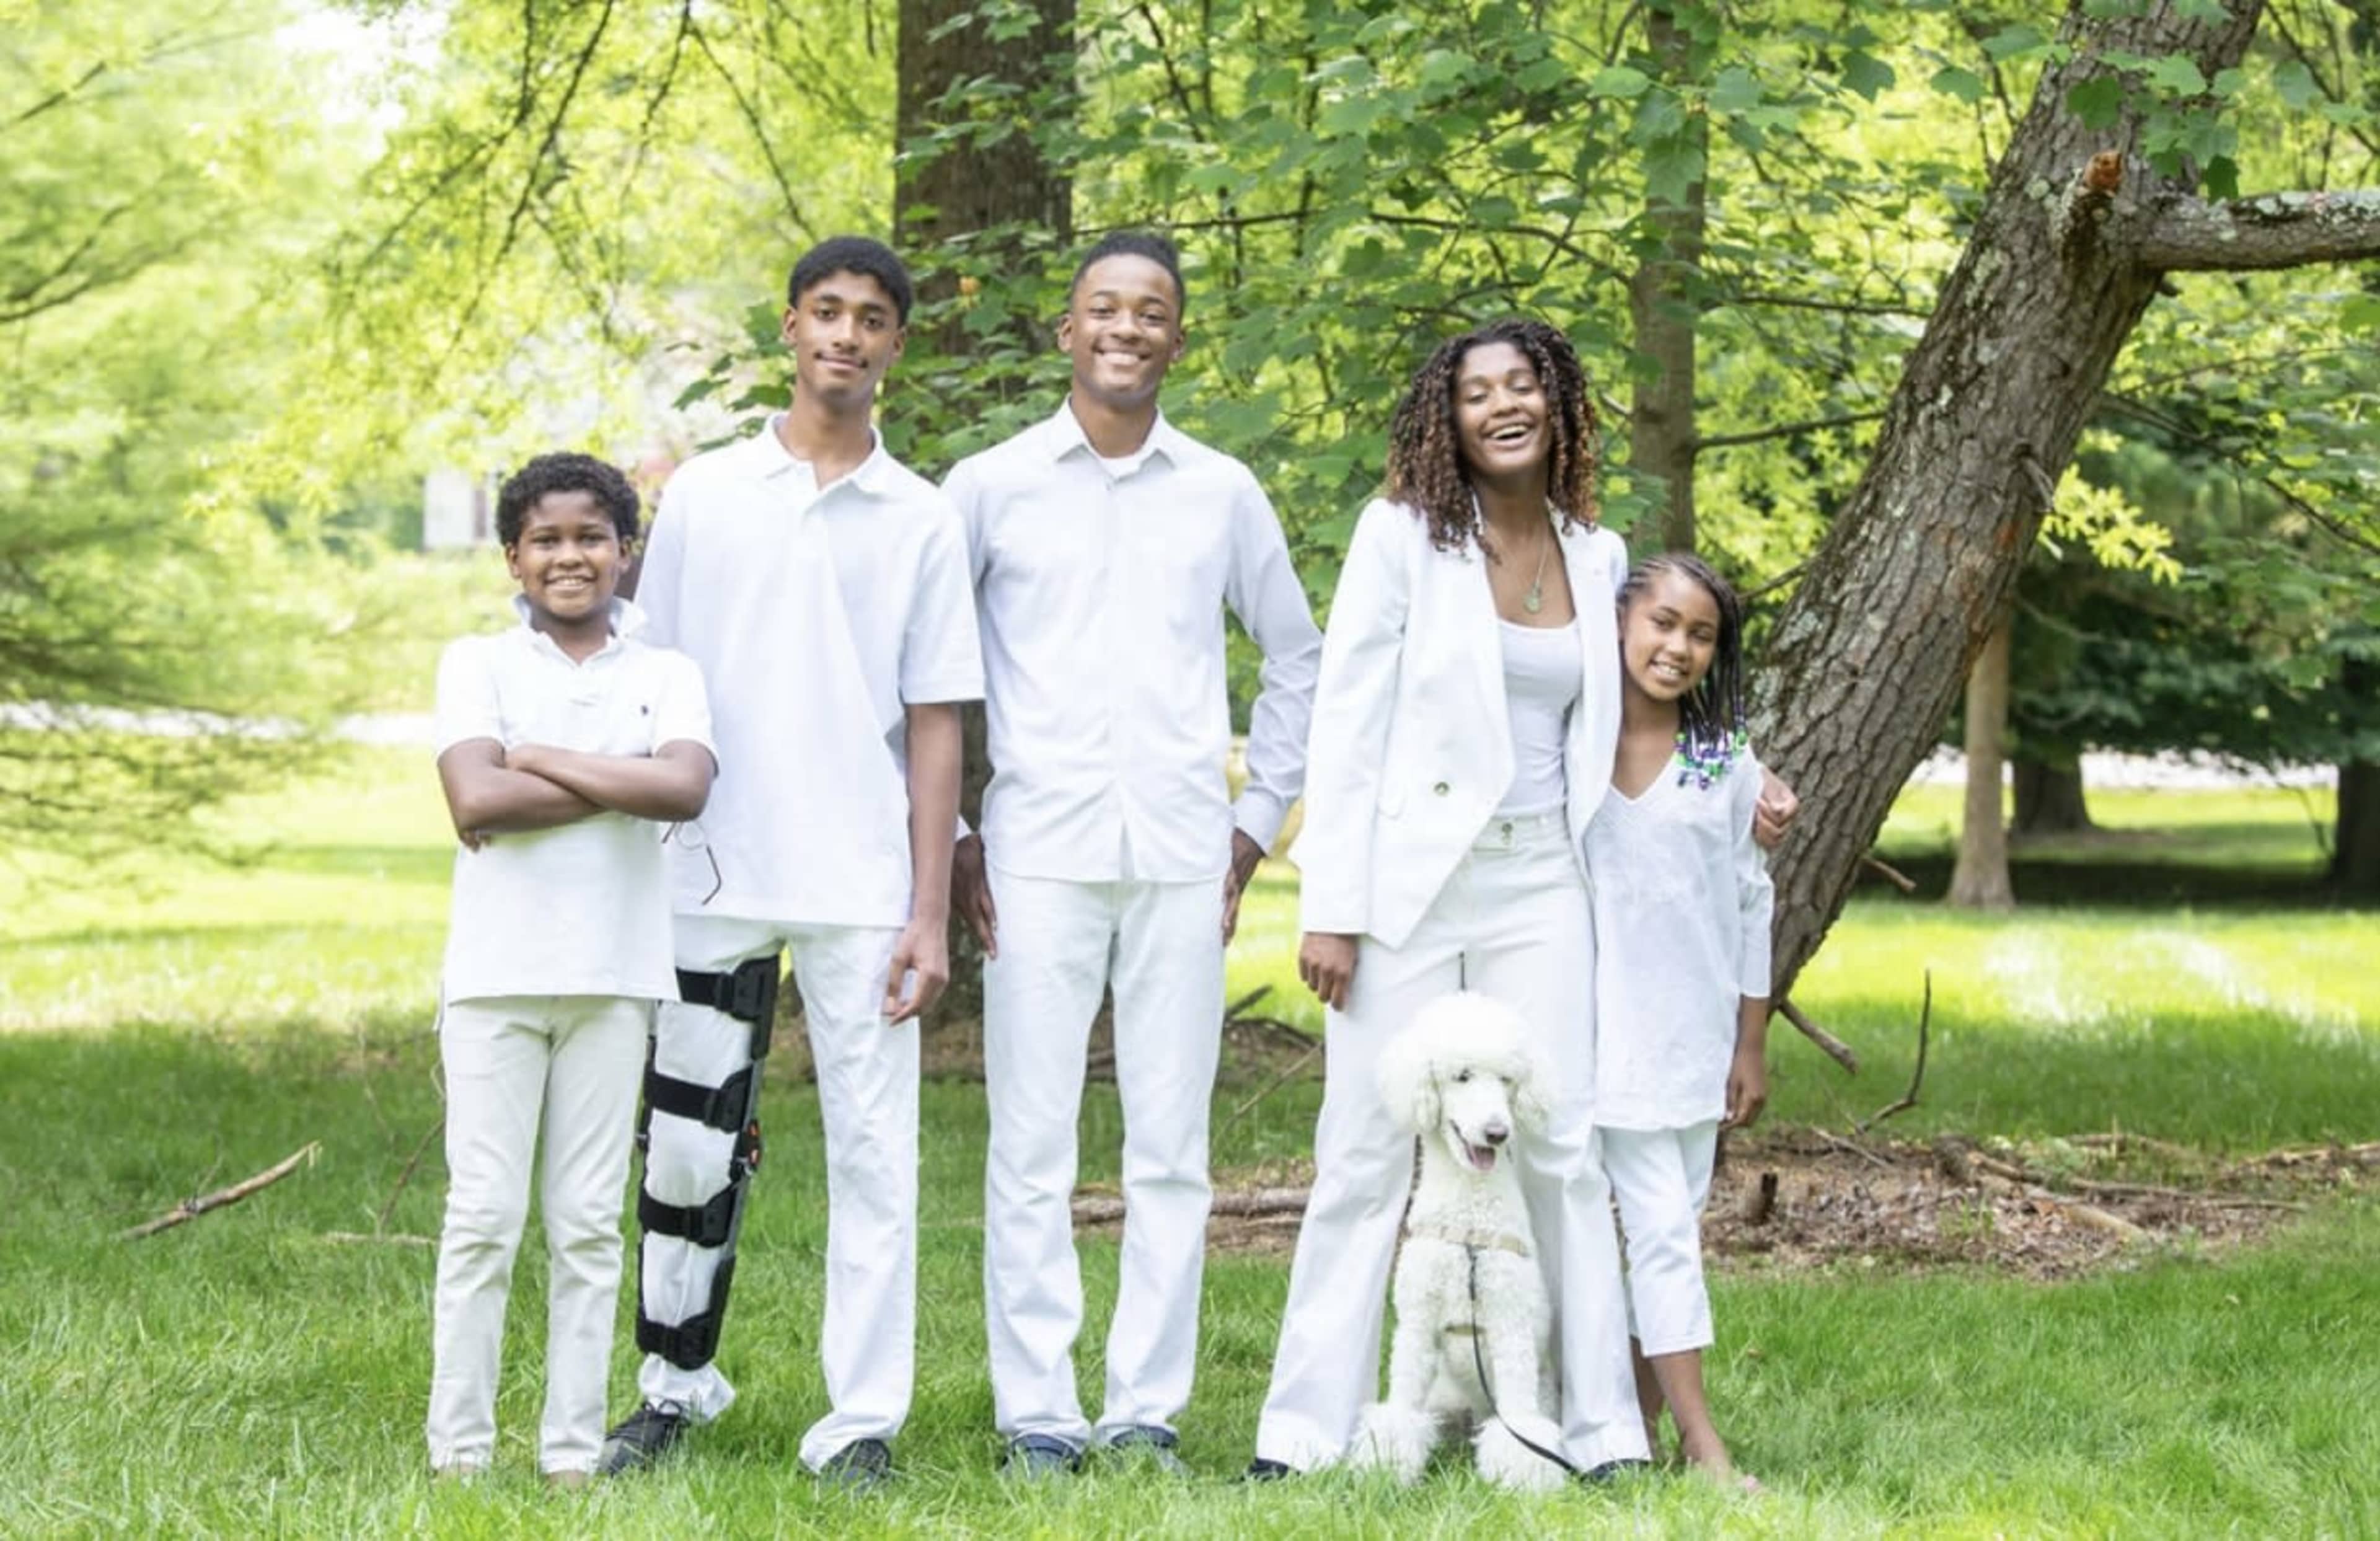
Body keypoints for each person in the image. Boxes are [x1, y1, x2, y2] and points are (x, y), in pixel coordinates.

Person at [1250, 317, 1796, 1480]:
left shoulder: (1596, 556)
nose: (1501, 404)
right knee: (1359, 1147)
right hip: (1408, 881)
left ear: (1557, 403)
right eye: (1474, 391)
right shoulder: (1400, 538)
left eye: (1522, 385)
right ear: (1445, 421)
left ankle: (1589, 1430)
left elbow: (1645, 707)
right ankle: (1302, 1434)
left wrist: (1743, 777)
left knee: (1563, 1151)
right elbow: (1347, 724)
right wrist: (1330, 905)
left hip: (1545, 876)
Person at [596, 237, 984, 1490]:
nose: (848, 335)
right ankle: (672, 1385)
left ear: (895, 346)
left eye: (873, 318)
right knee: (688, 1146)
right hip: (707, 870)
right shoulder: (708, 492)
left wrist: (929, 911)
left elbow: (937, 720)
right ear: (791, 326)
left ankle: (858, 1420)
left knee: (879, 1155)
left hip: (863, 882)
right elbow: (654, 678)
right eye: (828, 311)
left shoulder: (922, 514)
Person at [943, 231, 1321, 1478]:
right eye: (1102, 307)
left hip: (1178, 857)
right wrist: (950, 832)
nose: (1125, 327)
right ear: (1067, 330)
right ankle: (1040, 1413)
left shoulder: (1221, 491)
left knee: (1170, 1149)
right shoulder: (990, 486)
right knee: (1032, 1145)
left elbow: (1299, 659)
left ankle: (1145, 1408)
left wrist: (1254, 823)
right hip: (1035, 856)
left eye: (1150, 310)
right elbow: (923, 674)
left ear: (1175, 335)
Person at [425, 452, 716, 1487]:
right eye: (545, 538)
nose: (570, 556)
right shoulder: (477, 663)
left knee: (592, 1222)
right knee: (484, 1217)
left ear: (625, 552)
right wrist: (621, 779)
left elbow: (684, 790)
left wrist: (536, 756)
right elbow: (476, 804)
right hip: (497, 982)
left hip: (614, 978)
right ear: (513, 555)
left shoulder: (665, 674)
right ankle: (460, 1450)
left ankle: (567, 1454)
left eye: (591, 536)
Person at [1588, 553, 1772, 1490]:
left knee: (1669, 1231)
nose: (1678, 646)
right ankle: (1705, 1450)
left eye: (1701, 634)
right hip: (1595, 1039)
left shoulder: (1723, 761)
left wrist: (1750, 1040)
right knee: (1660, 1231)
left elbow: (1752, 899)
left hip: (1697, 1039)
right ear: (1619, 618)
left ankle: (1632, 1432)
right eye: (1663, 622)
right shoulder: (1568, 744)